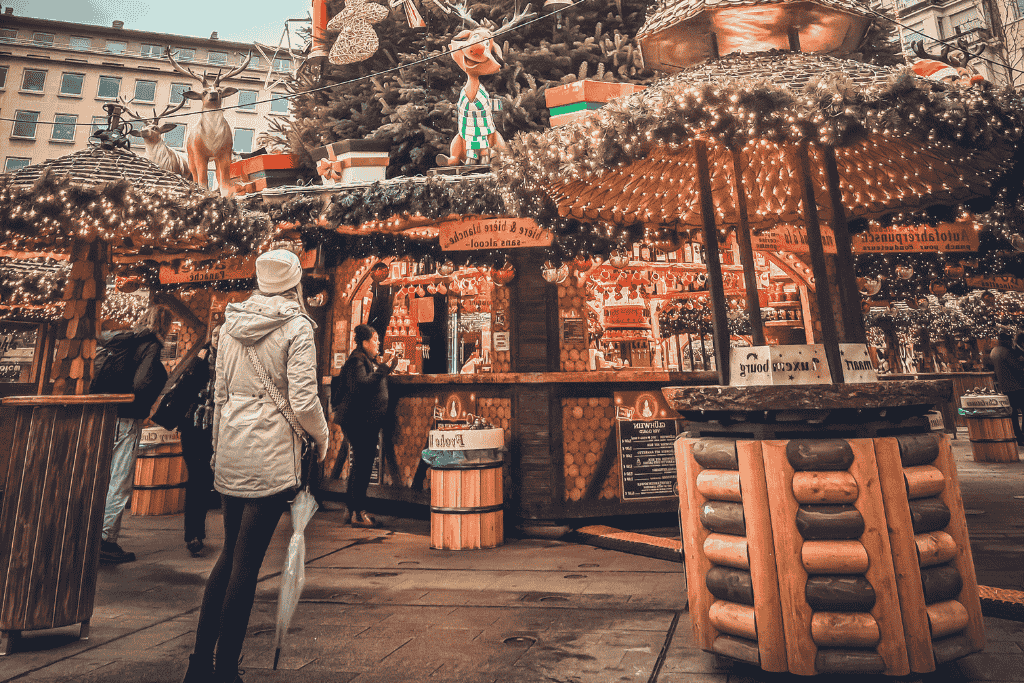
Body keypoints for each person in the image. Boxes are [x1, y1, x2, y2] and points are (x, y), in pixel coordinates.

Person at [182, 250, 330, 683]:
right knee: (246, 564)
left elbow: (222, 395)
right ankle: (225, 669)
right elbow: (303, 400)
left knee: (230, 556)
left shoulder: (230, 325)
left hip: (232, 446)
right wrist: (322, 437)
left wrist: (216, 448)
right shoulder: (298, 328)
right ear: (295, 282)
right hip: (269, 451)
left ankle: (198, 665)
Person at [94, 304, 173, 565]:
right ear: (165, 325)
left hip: (102, 414)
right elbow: (141, 382)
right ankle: (106, 539)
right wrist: (143, 401)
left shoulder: (123, 340)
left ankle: (87, 532)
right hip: (127, 417)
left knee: (98, 475)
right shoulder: (151, 345)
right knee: (119, 479)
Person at [157, 326, 221, 557]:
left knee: (210, 479)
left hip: (221, 428)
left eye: (223, 335)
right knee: (198, 478)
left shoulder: (234, 362)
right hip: (195, 425)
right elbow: (183, 387)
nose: (218, 339)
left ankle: (208, 532)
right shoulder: (200, 359)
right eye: (215, 335)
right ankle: (194, 534)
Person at [334, 324, 397, 528]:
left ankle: (351, 509)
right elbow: (362, 385)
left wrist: (385, 366)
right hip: (359, 421)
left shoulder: (364, 359)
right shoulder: (356, 360)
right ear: (364, 342)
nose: (378, 343)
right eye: (375, 339)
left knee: (359, 466)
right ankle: (358, 513)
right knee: (362, 467)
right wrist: (384, 368)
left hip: (363, 421)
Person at [990, 329, 1024, 446]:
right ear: (1005, 340)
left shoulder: (994, 351)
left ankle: (1018, 436)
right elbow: (1017, 368)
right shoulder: (1006, 352)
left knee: (1013, 413)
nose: (1011, 342)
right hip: (1016, 387)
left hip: (1004, 387)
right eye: (1009, 340)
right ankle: (1021, 436)